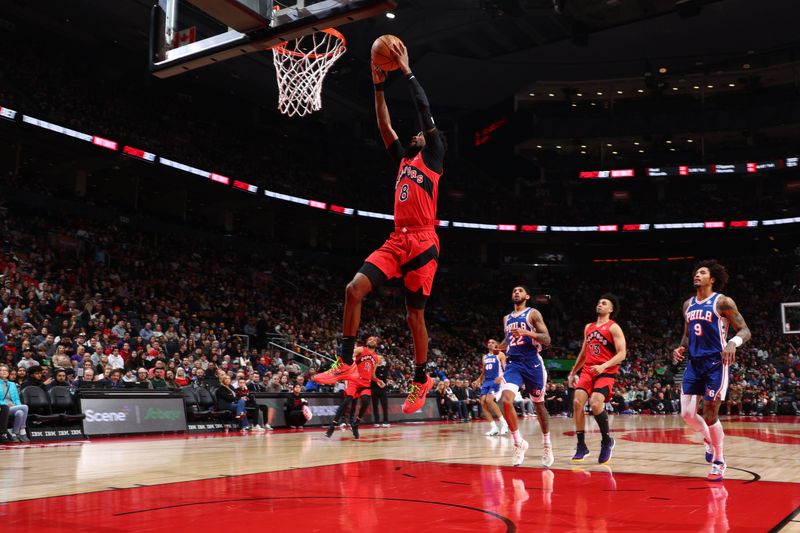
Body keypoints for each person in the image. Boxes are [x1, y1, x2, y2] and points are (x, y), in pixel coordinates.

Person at [313, 41, 446, 415]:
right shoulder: (402, 159)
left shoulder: (433, 157)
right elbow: (383, 124)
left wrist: (405, 69)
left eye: (420, 134)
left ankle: (421, 379)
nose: (415, 135)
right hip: (396, 238)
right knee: (353, 289)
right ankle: (343, 360)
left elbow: (423, 109)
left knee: (413, 316)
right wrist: (377, 86)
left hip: (423, 240)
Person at [673, 260, 751, 482]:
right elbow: (688, 334)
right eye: (696, 272)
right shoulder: (688, 304)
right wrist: (681, 347)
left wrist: (733, 343)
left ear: (713, 278)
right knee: (687, 414)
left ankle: (719, 459)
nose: (697, 275)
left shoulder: (722, 302)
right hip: (694, 363)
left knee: (709, 413)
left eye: (703, 272)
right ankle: (708, 440)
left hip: (716, 363)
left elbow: (745, 330)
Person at [568, 294, 627, 464]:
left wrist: (603, 366)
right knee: (577, 402)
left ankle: (606, 440)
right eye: (599, 302)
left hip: (606, 370)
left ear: (611, 309)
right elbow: (584, 352)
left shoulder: (613, 327)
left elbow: (622, 353)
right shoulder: (589, 327)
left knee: (595, 403)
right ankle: (581, 446)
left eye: (604, 303)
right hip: (588, 370)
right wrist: (573, 371)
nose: (600, 305)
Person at [498, 286, 553, 467]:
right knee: (506, 400)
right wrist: (498, 348)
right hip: (514, 363)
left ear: (527, 296)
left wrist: (527, 332)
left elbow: (546, 339)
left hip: (532, 363)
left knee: (539, 405)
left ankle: (547, 444)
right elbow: (508, 340)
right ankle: (518, 443)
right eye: (514, 290)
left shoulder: (533, 313)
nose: (516, 293)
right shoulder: (506, 319)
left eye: (520, 291)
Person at [325, 336, 382, 439]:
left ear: (376, 344)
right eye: (370, 339)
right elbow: (348, 357)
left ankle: (356, 423)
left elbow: (372, 375)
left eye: (374, 340)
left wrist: (378, 380)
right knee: (346, 402)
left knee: (365, 401)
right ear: (367, 342)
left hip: (365, 383)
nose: (371, 340)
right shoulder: (361, 349)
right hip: (354, 381)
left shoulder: (376, 358)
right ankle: (332, 426)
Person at [472, 339, 508, 436]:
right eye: (489, 342)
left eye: (493, 342)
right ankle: (494, 427)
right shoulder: (485, 357)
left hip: (496, 380)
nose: (490, 344)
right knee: (482, 401)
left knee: (489, 400)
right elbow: (484, 372)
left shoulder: (500, 354)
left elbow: (506, 368)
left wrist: (501, 377)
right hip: (487, 381)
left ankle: (504, 423)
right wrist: (478, 380)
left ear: (496, 345)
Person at [0, 364, 30, 442]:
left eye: (5, 370)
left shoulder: (12, 384)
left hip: (13, 407)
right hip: (3, 408)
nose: (3, 372)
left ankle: (14, 433)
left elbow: (16, 399)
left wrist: (18, 405)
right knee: (25, 407)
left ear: (8, 373)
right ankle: (23, 431)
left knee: (20, 412)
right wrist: (6, 404)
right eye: (1, 370)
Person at [371, 355, 391, 427]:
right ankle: (377, 421)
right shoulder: (373, 367)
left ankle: (385, 421)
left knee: (384, 405)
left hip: (382, 388)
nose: (382, 359)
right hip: (374, 388)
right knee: (375, 405)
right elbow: (373, 377)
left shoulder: (384, 367)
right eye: (380, 358)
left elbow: (384, 377)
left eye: (382, 358)